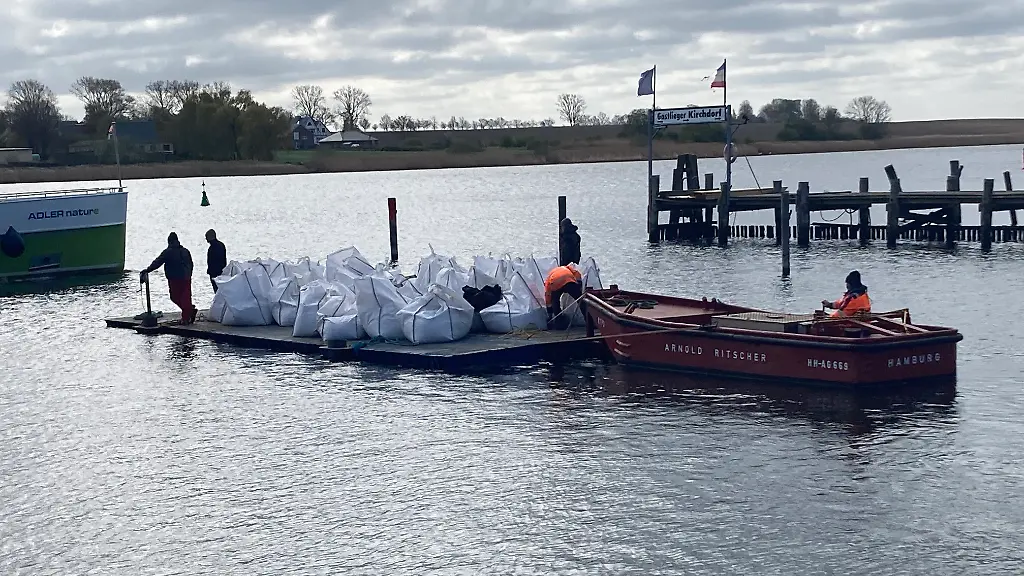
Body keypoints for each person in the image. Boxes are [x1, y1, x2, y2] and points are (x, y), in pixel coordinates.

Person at [141, 232, 197, 324]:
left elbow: (157, 262)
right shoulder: (185, 251)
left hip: (174, 279)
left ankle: (187, 316)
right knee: (185, 298)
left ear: (169, 242)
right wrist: (189, 274)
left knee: (175, 297)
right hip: (186, 278)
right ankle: (188, 313)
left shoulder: (168, 252)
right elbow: (191, 264)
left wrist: (147, 270)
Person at [544, 264, 583, 330]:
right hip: (569, 280)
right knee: (581, 300)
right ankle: (589, 319)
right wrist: (578, 284)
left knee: (555, 302)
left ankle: (559, 324)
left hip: (555, 282)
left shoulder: (548, 279)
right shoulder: (567, 268)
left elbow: (548, 296)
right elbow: (577, 273)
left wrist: (549, 312)